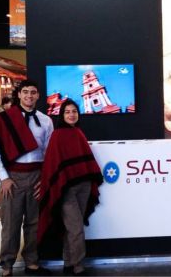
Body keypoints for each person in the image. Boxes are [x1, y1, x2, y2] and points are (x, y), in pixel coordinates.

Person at [0, 79, 53, 277]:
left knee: (34, 222)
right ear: (19, 95)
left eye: (33, 92)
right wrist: (4, 178)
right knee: (10, 223)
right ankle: (7, 264)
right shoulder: (4, 120)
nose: (29, 95)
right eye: (26, 92)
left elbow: (49, 152)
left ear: (38, 96)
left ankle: (32, 262)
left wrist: (44, 178)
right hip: (12, 177)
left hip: (36, 176)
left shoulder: (46, 120)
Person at [38, 99, 103, 276]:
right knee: (75, 228)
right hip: (66, 189)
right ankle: (78, 265)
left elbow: (86, 160)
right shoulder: (58, 135)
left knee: (72, 227)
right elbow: (54, 164)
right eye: (67, 112)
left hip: (83, 185)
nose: (71, 114)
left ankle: (68, 262)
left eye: (74, 111)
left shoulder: (78, 132)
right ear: (62, 114)